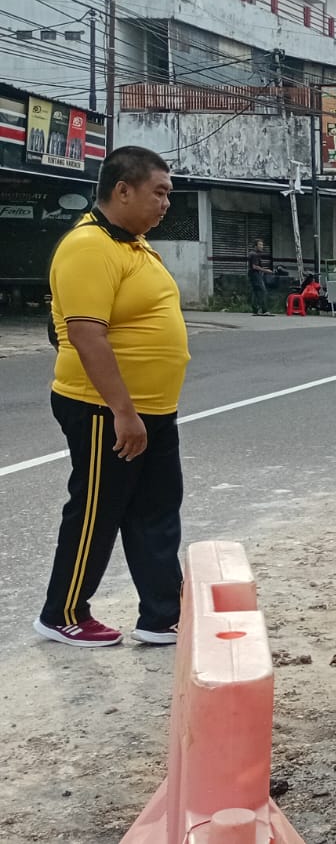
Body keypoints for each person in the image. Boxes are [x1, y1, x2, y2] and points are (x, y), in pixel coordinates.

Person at [36, 146, 187, 647]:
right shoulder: (89, 245)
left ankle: (163, 615)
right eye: (158, 192)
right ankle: (63, 613)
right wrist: (123, 410)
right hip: (105, 408)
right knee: (98, 510)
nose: (166, 203)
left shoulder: (134, 245)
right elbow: (86, 334)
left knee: (157, 508)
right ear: (122, 190)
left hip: (153, 409)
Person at [248, 240, 272, 316]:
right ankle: (264, 310)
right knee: (262, 291)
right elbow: (254, 266)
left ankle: (255, 310)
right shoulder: (254, 254)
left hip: (252, 274)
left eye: (262, 245)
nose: (262, 246)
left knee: (255, 292)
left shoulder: (252, 253)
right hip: (255, 274)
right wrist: (266, 271)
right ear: (255, 246)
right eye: (260, 245)